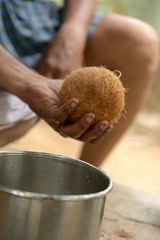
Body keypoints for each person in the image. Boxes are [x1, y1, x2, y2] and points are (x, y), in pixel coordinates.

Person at [0, 0, 159, 167]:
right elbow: (29, 84)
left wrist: (73, 30)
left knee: (140, 43)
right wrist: (29, 83)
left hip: (35, 17)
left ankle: (84, 178)